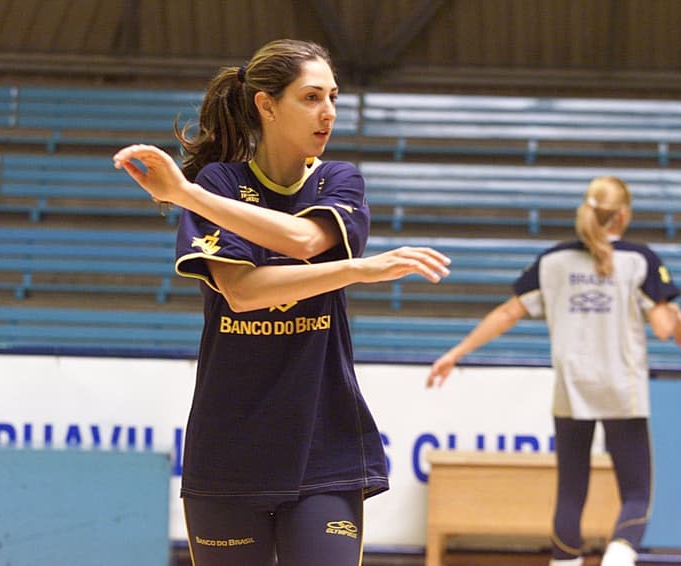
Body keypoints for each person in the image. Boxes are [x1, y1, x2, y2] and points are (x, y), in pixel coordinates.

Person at [113, 39, 451, 566]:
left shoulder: (338, 180)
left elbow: (305, 240)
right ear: (266, 105)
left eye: (333, 96)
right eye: (311, 96)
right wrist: (361, 270)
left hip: (326, 446)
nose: (329, 111)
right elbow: (243, 293)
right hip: (229, 450)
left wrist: (185, 196)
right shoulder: (219, 182)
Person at [426, 176, 681, 566]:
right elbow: (663, 328)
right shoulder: (641, 259)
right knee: (636, 495)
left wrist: (456, 352)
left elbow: (507, 313)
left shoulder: (554, 261)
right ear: (623, 215)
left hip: (572, 389)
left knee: (571, 492)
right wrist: (674, 311)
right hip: (622, 390)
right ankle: (618, 557)